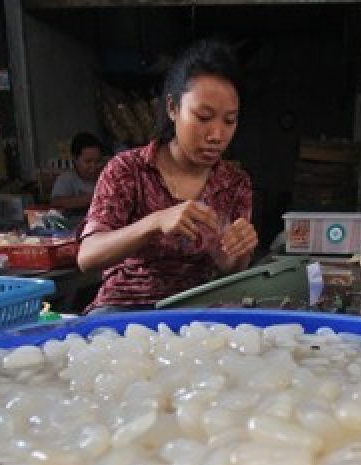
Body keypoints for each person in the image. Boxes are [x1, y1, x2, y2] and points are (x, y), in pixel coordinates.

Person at [77, 40, 259, 313]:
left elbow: (229, 268)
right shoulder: (128, 170)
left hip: (198, 310)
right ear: (173, 108)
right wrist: (155, 222)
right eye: (203, 117)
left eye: (229, 121)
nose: (217, 135)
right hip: (125, 306)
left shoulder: (234, 183)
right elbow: (88, 256)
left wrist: (239, 250)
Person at [51, 132, 105, 221]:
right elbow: (56, 202)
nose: (93, 166)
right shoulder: (66, 179)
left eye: (98, 161)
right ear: (75, 159)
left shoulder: (105, 177)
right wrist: (93, 198)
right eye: (88, 162)